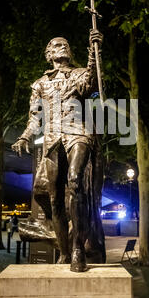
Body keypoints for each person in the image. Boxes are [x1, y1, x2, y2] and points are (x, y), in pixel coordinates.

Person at [12, 29, 106, 272]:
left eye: (65, 44)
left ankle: (78, 249)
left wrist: (94, 53)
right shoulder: (40, 84)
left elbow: (92, 85)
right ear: (49, 54)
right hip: (52, 138)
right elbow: (35, 117)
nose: (62, 46)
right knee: (55, 200)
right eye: (56, 44)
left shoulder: (78, 74)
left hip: (78, 133)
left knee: (75, 181)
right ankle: (64, 251)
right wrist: (25, 136)